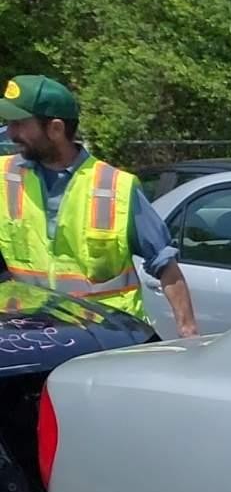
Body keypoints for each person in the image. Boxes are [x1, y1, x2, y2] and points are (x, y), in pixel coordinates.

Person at [0, 75, 198, 338]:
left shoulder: (115, 186)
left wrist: (188, 332)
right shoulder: (4, 177)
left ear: (56, 129)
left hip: (105, 339)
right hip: (34, 338)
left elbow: (165, 264)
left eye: (19, 124)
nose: (10, 133)